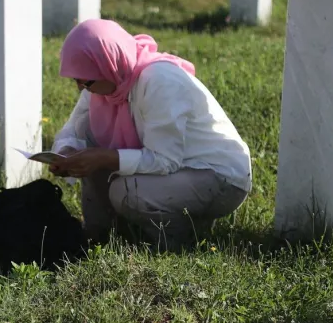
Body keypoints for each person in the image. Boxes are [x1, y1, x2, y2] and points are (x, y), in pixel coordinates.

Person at [50, 20, 251, 252]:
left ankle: (177, 242)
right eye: (77, 80)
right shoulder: (108, 80)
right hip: (178, 172)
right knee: (87, 145)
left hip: (218, 177)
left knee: (126, 192)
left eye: (85, 80)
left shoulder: (159, 81)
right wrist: (65, 154)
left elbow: (165, 160)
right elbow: (74, 129)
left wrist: (104, 157)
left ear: (108, 64)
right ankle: (101, 235)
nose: (80, 87)